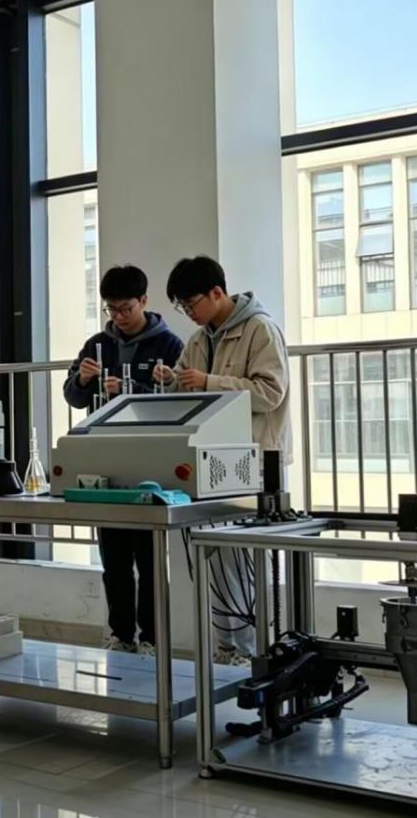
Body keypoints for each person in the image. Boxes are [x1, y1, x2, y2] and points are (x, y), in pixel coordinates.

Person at [158, 255, 291, 666]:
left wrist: (210, 382)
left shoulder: (260, 329)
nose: (188, 312)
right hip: (213, 462)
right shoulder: (200, 340)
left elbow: (271, 393)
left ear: (217, 292)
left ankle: (255, 651)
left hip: (256, 461)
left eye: (191, 303)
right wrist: (170, 381)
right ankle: (228, 647)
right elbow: (185, 388)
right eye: (181, 306)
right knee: (216, 560)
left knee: (249, 560)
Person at [63, 265, 185, 655]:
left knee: (150, 559)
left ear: (144, 301)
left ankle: (152, 638)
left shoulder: (169, 345)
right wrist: (83, 380)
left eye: (125, 308)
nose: (118, 316)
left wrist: (134, 389)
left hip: (151, 460)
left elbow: (180, 401)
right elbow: (73, 397)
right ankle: (121, 634)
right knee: (113, 556)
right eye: (111, 309)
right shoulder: (97, 344)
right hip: (105, 457)